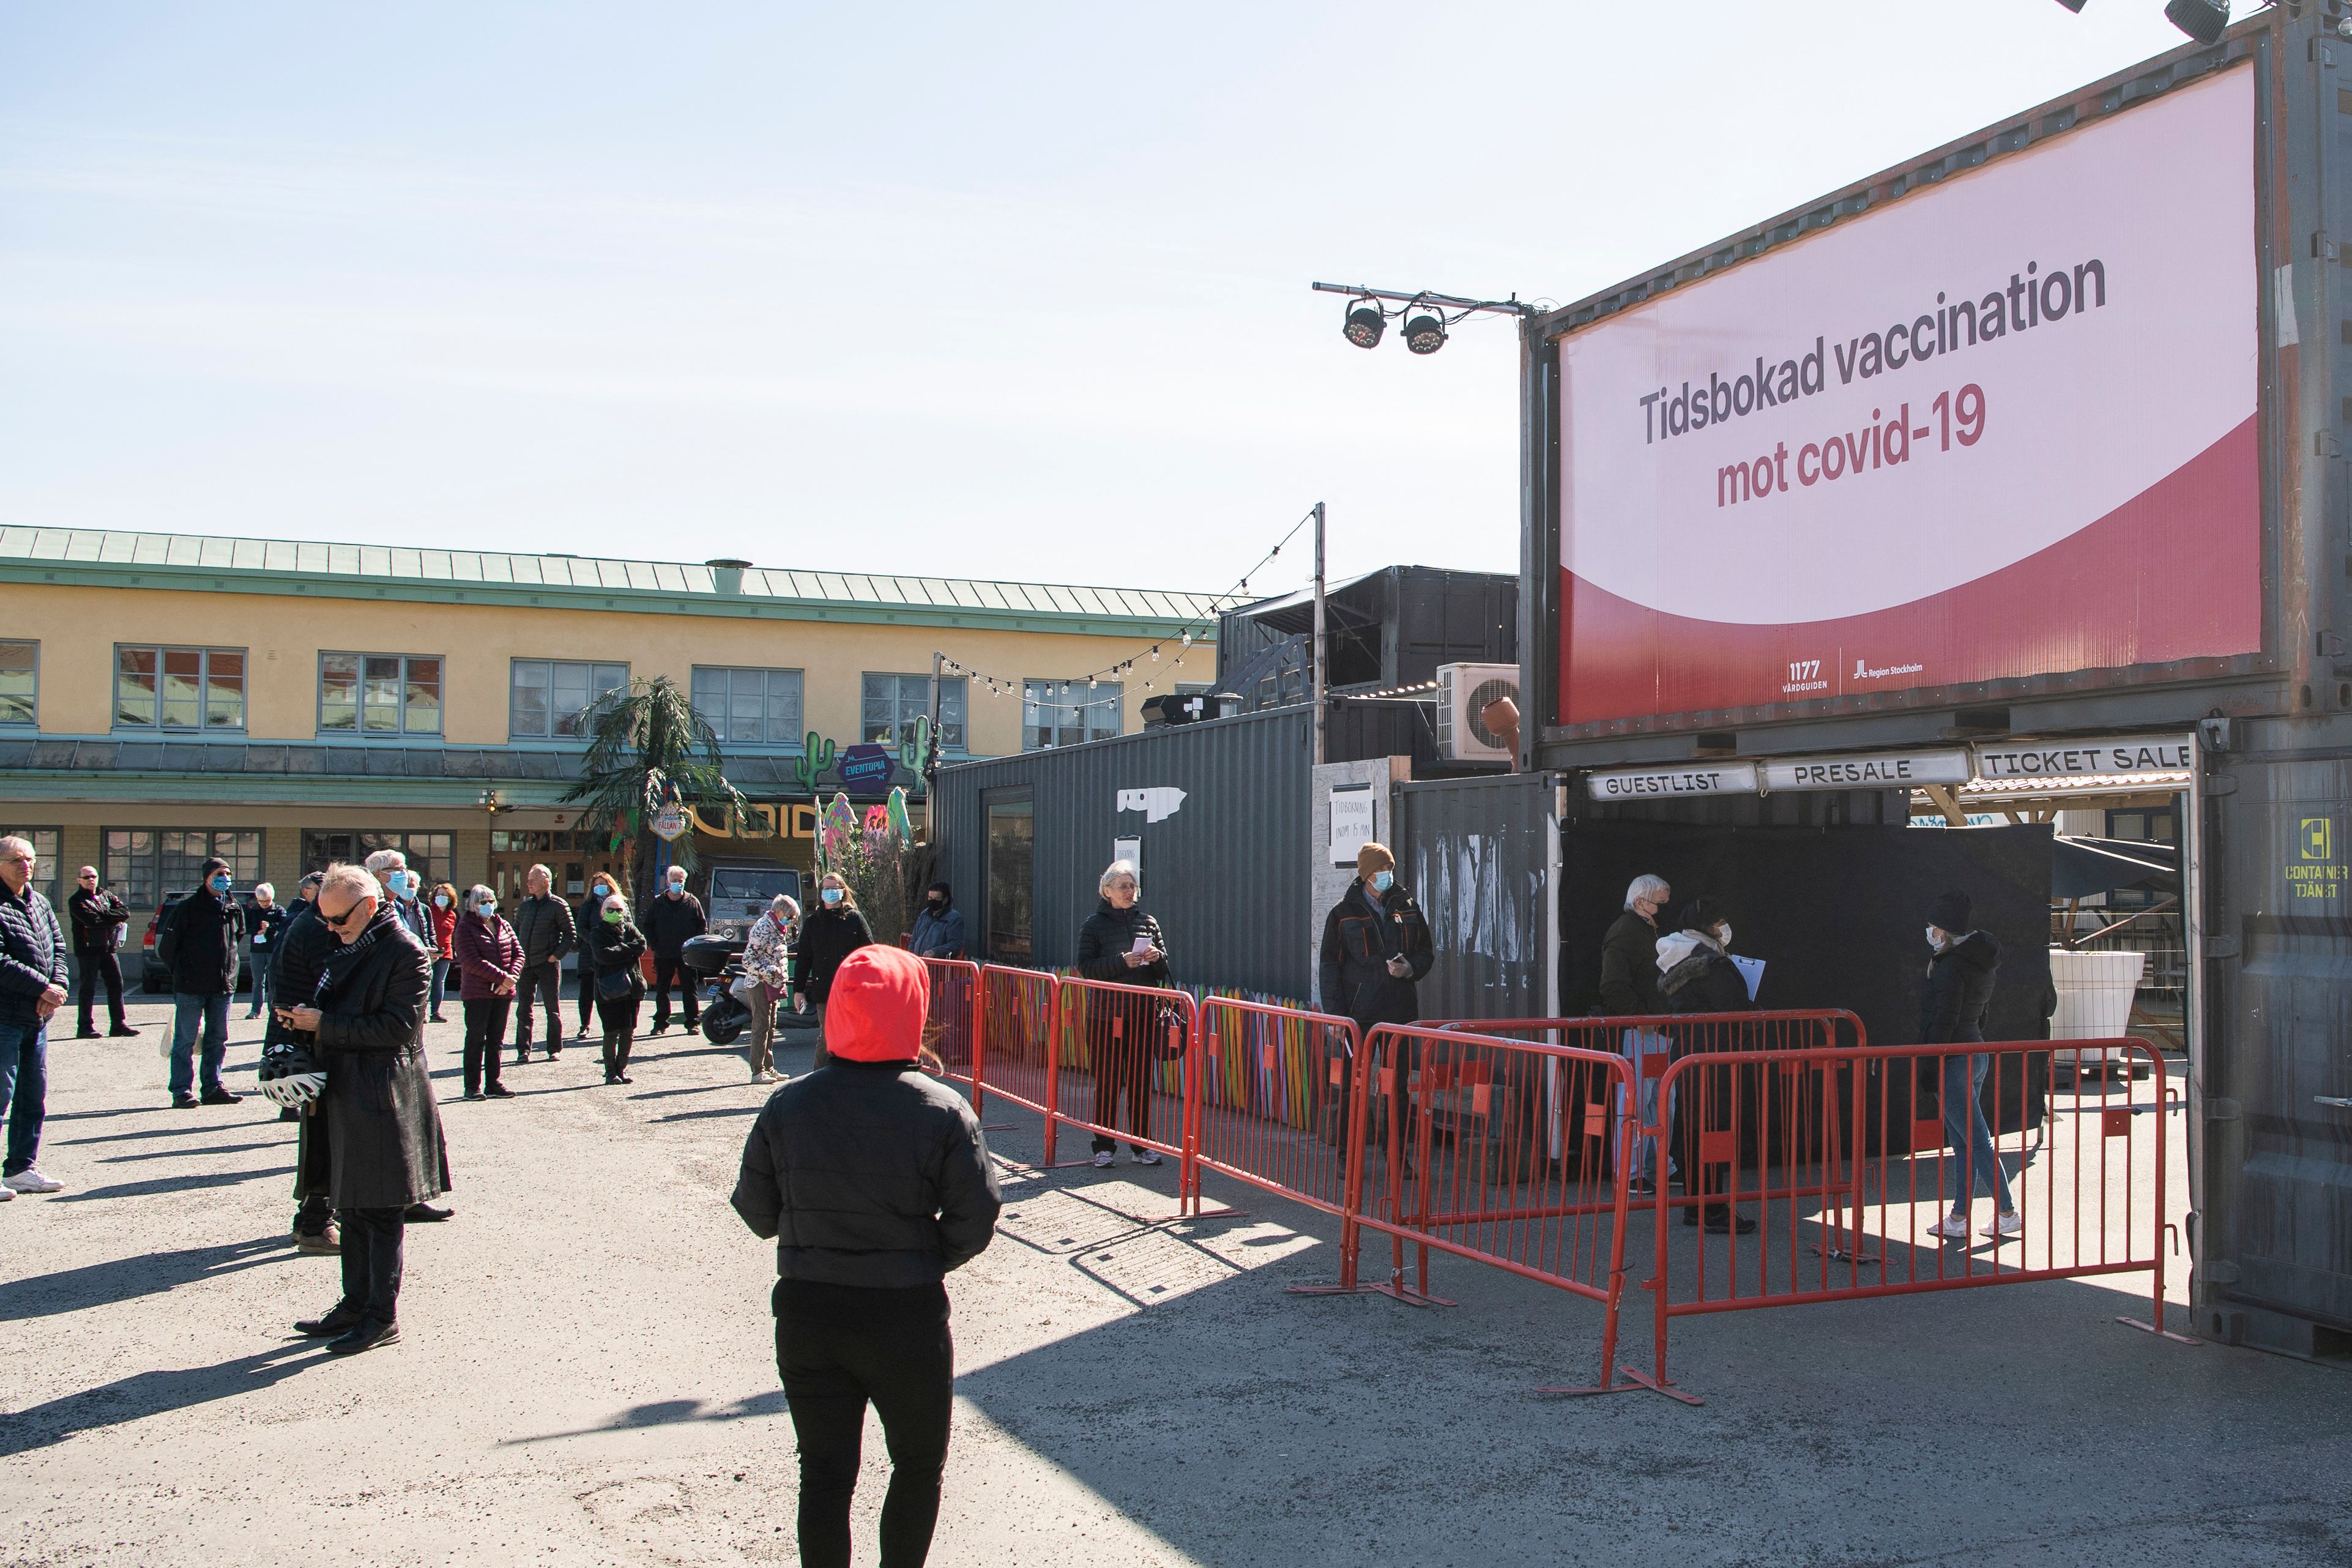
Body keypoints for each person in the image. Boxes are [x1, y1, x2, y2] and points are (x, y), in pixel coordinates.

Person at [730, 944, 1002, 1568]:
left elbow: (757, 1210)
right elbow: (975, 1218)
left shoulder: (789, 1103)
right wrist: (923, 1255)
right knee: (917, 1464)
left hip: (809, 1309)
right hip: (905, 1312)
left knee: (824, 1473)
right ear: (914, 1012)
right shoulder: (942, 1109)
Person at [278, 863, 450, 1354]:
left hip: (384, 1094)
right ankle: (355, 1303)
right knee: (351, 1205)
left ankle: (381, 1314)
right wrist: (299, 1025)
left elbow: (397, 1028)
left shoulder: (405, 951)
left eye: (339, 919)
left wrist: (323, 1023)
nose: (332, 929)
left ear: (370, 906)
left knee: (380, 1211)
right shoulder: (351, 943)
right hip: (346, 1089)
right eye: (326, 920)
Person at [1316, 842, 1434, 1154]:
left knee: (1398, 1089)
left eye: (1389, 869)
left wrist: (1410, 968)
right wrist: (1336, 1016)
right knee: (1352, 1087)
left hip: (1399, 1012)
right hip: (1359, 1015)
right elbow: (1329, 967)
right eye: (1381, 870)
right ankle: (1347, 1157)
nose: (1387, 875)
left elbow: (1426, 952)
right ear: (1367, 874)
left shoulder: (1407, 906)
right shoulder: (1343, 913)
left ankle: (1397, 1157)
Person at [1921, 890, 2020, 1242]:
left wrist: (1931, 1060)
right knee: (1964, 1143)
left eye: (1932, 926)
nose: (1929, 932)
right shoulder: (1981, 961)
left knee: (1976, 1142)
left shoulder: (1950, 966)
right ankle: (1959, 1217)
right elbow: (1981, 1013)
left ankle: (2007, 1212)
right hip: (1975, 1051)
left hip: (1954, 1057)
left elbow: (1945, 1017)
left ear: (1944, 930)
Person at [359, 851, 452, 1224]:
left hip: (410, 1018)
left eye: (404, 870)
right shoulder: (367, 910)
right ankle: (380, 1204)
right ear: (378, 875)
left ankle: (413, 1195)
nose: (404, 876)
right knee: (388, 1116)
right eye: (396, 871)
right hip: (383, 1024)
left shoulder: (405, 906)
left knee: (414, 1109)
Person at [1656, 897, 1754, 1236]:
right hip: (1714, 1055)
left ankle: (1696, 1204)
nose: (1723, 928)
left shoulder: (1675, 957)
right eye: (1718, 922)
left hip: (1687, 1053)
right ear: (1707, 926)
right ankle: (1711, 1208)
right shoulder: (1712, 963)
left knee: (1691, 1128)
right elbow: (1735, 1009)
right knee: (1713, 1130)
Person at [1074, 858, 1170, 1169]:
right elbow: (1086, 967)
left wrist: (1156, 958)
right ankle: (1104, 1147)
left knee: (1141, 1082)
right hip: (1107, 1016)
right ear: (1107, 891)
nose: (1130, 891)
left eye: (1133, 886)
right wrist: (1121, 962)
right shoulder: (1093, 925)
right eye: (1123, 887)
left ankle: (1141, 1146)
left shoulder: (1149, 922)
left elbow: (1163, 971)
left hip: (1142, 1013)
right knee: (1109, 1081)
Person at [272, 871, 341, 1252]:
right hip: (319, 1044)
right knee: (325, 1138)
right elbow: (332, 984)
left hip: (313, 1040)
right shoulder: (316, 928)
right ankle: (316, 1220)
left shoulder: (309, 922)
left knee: (322, 1136)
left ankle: (313, 1218)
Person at [0, 834, 70, 1199]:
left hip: (37, 1019)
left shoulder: (39, 902)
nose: (25, 865)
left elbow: (58, 948)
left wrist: (58, 988)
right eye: (16, 860)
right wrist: (42, 988)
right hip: (4, 1017)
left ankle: (21, 1169)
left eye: (29, 859)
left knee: (32, 1096)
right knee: (1, 1094)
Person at [1599, 872, 1676, 1196]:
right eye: (1660, 903)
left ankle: (1656, 1167)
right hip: (1643, 1029)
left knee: (1662, 1101)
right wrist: (1638, 1017)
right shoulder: (1625, 933)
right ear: (1641, 902)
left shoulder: (1646, 931)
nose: (1663, 909)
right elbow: (1612, 984)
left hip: (1659, 1027)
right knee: (1637, 1101)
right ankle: (1631, 1172)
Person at [162, 856, 244, 1109]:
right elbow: (168, 948)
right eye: (219, 874)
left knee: (217, 1040)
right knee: (185, 1041)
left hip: (223, 987)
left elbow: (237, 939)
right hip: (191, 987)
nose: (225, 879)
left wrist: (229, 972)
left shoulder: (233, 908)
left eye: (228, 874)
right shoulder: (187, 909)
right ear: (207, 878)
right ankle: (181, 1091)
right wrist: (184, 973)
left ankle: (213, 1087)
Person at [795, 874, 873, 1073]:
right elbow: (804, 958)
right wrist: (798, 990)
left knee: (853, 1035)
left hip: (852, 989)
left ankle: (851, 1077)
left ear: (843, 890)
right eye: (827, 888)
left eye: (834, 888)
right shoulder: (813, 922)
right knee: (828, 1037)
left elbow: (869, 953)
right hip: (825, 989)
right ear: (821, 892)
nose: (830, 892)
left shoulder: (855, 919)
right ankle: (818, 1078)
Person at [453, 885, 521, 1101]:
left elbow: (519, 954)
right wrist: (502, 978)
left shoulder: (503, 924)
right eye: (483, 902)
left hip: (503, 993)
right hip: (478, 993)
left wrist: (510, 979)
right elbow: (470, 960)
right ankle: (472, 1087)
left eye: (491, 901)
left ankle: (494, 1083)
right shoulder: (465, 927)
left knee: (496, 1040)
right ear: (473, 904)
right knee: (476, 1039)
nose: (488, 905)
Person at [508, 864, 575, 1063]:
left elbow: (570, 935)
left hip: (548, 964)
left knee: (552, 1009)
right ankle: (523, 1050)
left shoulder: (558, 905)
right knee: (523, 1009)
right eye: (528, 879)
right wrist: (516, 957)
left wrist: (556, 956)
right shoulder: (525, 906)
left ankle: (554, 1049)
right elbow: (514, 933)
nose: (529, 883)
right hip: (526, 965)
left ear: (546, 882)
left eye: (533, 879)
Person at [66, 865, 135, 1039]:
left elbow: (125, 912)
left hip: (109, 948)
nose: (91, 880)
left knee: (116, 985)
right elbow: (92, 921)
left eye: (94, 877)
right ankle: (85, 1027)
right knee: (88, 988)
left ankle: (118, 1025)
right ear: (79, 880)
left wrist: (104, 914)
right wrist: (113, 920)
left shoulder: (106, 895)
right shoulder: (76, 901)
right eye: (87, 877)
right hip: (88, 950)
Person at [587, 890, 648, 1085]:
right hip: (609, 989)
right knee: (611, 1031)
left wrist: (621, 950)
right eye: (611, 910)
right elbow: (603, 956)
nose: (616, 913)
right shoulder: (598, 932)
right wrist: (626, 950)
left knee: (628, 1031)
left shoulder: (629, 928)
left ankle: (622, 1069)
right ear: (604, 911)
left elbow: (642, 946)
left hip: (632, 988)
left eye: (619, 910)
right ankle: (610, 1072)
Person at [743, 894, 798, 1084]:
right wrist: (768, 971)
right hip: (760, 983)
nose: (791, 920)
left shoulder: (778, 928)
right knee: (761, 1027)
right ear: (779, 912)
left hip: (772, 984)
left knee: (771, 1027)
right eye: (790, 916)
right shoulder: (763, 928)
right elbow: (748, 960)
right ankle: (757, 1072)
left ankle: (769, 1067)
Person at [646, 866, 707, 1036]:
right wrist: (655, 945)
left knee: (690, 988)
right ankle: (660, 1024)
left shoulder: (692, 902)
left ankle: (692, 1023)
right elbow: (648, 925)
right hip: (664, 954)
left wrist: (696, 946)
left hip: (687, 955)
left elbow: (702, 926)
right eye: (674, 881)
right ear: (668, 882)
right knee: (662, 989)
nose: (678, 884)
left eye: (680, 881)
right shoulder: (658, 902)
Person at [575, 872, 619, 1044]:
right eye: (596, 884)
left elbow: (627, 924)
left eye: (603, 883)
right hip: (590, 954)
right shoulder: (588, 905)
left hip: (611, 953)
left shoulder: (617, 903)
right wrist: (594, 941)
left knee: (611, 992)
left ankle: (612, 1026)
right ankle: (584, 1024)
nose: (600, 887)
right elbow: (581, 927)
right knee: (587, 992)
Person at [245, 882, 288, 1020]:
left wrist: (269, 927)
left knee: (273, 980)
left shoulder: (279, 910)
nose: (264, 904)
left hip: (273, 949)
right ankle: (255, 1010)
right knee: (258, 982)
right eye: (261, 901)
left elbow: (285, 925)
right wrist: (258, 929)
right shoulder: (253, 911)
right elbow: (246, 927)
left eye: (267, 901)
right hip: (257, 950)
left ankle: (273, 1010)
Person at [425, 882, 458, 1024]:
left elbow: (453, 935)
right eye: (439, 895)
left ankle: (435, 1012)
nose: (441, 897)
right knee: (426, 981)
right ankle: (422, 1012)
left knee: (439, 982)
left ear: (450, 898)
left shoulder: (452, 915)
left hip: (445, 953)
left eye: (444, 895)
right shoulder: (428, 911)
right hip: (429, 952)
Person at [907, 882, 967, 960]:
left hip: (937, 964)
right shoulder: (924, 914)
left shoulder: (954, 918)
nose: (933, 901)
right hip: (918, 962)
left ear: (945, 900)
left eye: (936, 899)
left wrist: (935, 952)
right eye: (930, 898)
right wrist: (911, 956)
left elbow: (956, 944)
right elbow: (914, 939)